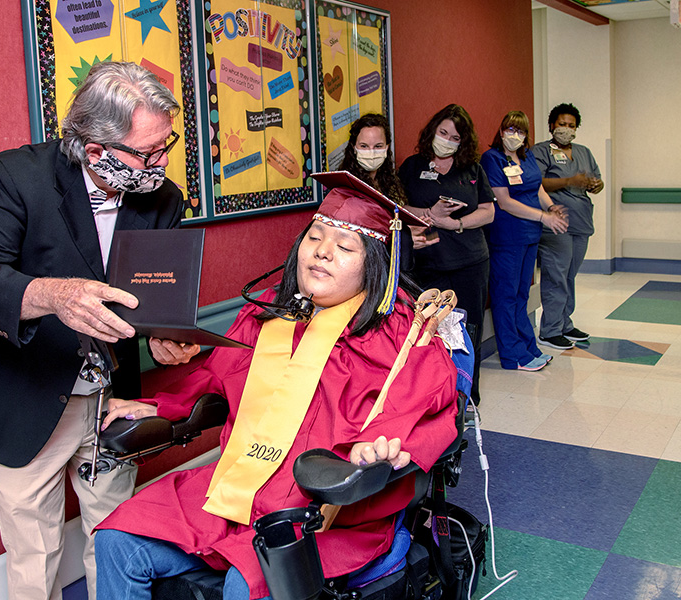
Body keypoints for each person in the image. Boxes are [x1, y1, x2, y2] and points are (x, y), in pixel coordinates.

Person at [94, 179, 460, 600]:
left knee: (245, 582)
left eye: (345, 247)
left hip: (326, 515)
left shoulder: (401, 338)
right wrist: (159, 407)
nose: (322, 251)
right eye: (316, 236)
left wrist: (373, 449)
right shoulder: (266, 313)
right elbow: (216, 380)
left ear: (374, 263)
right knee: (117, 539)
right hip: (236, 490)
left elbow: (431, 412)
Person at [0, 61, 200, 600]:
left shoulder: (164, 198)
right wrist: (52, 295)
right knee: (35, 554)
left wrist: (161, 337)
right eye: (147, 152)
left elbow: (150, 298)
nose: (162, 162)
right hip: (25, 392)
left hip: (111, 400)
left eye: (166, 145)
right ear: (94, 150)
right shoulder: (19, 177)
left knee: (114, 536)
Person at [399, 104, 495, 405]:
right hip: (427, 265)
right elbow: (397, 207)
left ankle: (467, 397)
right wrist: (430, 213)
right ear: (432, 132)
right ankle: (433, 399)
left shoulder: (471, 169)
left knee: (468, 332)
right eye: (442, 133)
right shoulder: (412, 167)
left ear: (462, 142)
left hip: (470, 263)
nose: (447, 140)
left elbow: (489, 211)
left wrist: (456, 223)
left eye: (455, 137)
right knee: (429, 333)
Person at [479, 111, 568, 372]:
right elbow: (504, 202)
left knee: (521, 294)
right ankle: (513, 355)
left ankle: (528, 346)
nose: (515, 135)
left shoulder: (526, 158)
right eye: (510, 129)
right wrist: (543, 217)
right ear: (501, 130)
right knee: (505, 295)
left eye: (520, 131)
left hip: (530, 236)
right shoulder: (492, 158)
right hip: (508, 236)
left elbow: (537, 188)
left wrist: (552, 208)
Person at [532, 103, 603, 350]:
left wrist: (595, 185)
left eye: (571, 126)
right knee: (556, 274)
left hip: (581, 221)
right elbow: (536, 183)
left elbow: (597, 180)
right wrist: (569, 181)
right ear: (552, 125)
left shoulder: (583, 151)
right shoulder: (541, 151)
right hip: (556, 221)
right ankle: (550, 330)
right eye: (562, 124)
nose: (566, 130)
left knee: (569, 275)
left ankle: (564, 323)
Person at [338, 113, 437, 268]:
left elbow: (390, 223)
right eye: (364, 146)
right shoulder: (345, 186)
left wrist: (411, 228)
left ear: (387, 147)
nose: (371, 152)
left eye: (378, 146)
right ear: (354, 147)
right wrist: (404, 240)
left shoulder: (390, 183)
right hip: (363, 269)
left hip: (393, 268)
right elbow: (352, 238)